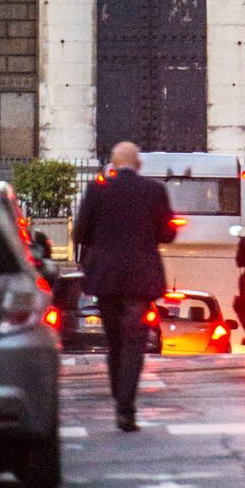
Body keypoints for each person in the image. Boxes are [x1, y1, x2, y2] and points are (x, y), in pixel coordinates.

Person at [71, 141, 177, 431]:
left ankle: (120, 397)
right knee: (134, 344)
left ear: (113, 164)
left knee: (114, 342)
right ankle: (125, 408)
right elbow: (167, 234)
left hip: (106, 279)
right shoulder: (154, 191)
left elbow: (81, 232)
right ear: (139, 164)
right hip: (140, 282)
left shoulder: (97, 191)